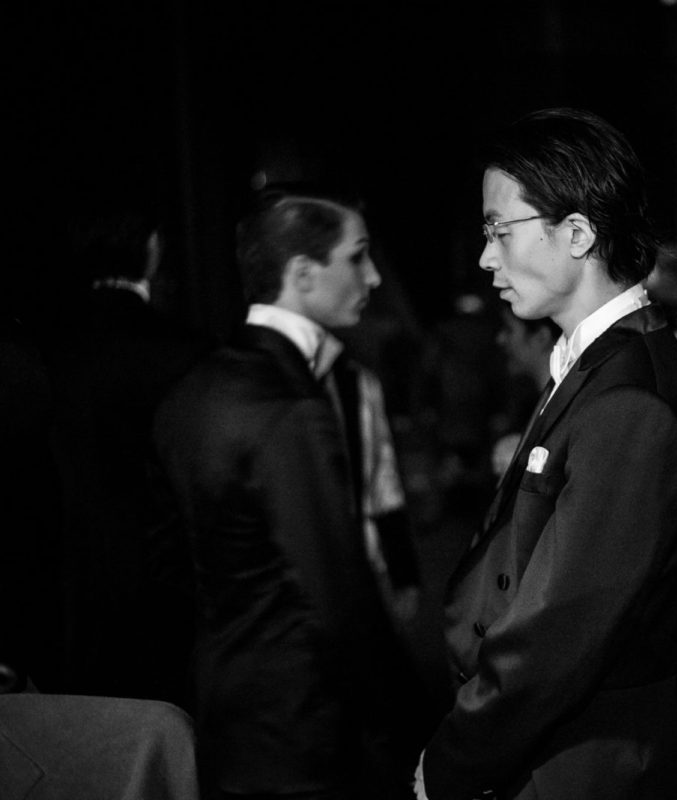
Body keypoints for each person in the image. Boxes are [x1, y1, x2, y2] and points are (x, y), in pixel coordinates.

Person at [415, 107, 677, 800]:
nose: (486, 257)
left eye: (499, 230)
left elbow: (562, 627)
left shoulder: (629, 398)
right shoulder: (597, 366)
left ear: (578, 233)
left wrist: (455, 759)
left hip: (579, 763)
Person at [153, 188, 414, 799]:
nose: (374, 277)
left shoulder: (195, 386)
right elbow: (338, 592)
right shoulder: (289, 404)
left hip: (221, 706)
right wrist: (416, 728)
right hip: (299, 724)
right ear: (302, 273)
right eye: (357, 256)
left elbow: (171, 561)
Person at [40, 201, 213, 707]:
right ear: (152, 248)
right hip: (165, 596)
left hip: (63, 591)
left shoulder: (44, 349)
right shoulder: (186, 351)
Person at [488, 308, 558, 479]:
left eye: (509, 329)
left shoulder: (564, 406)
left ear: (541, 337)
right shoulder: (530, 405)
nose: (500, 339)